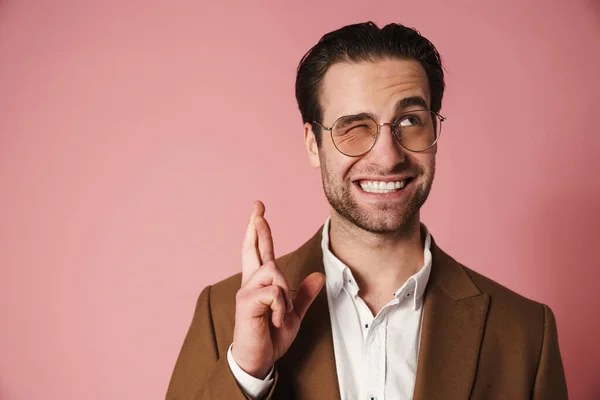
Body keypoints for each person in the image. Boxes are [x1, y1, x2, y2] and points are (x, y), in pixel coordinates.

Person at [166, 22, 568, 400]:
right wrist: (248, 374)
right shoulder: (222, 315)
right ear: (312, 143)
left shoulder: (525, 332)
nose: (388, 156)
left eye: (410, 120)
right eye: (354, 126)